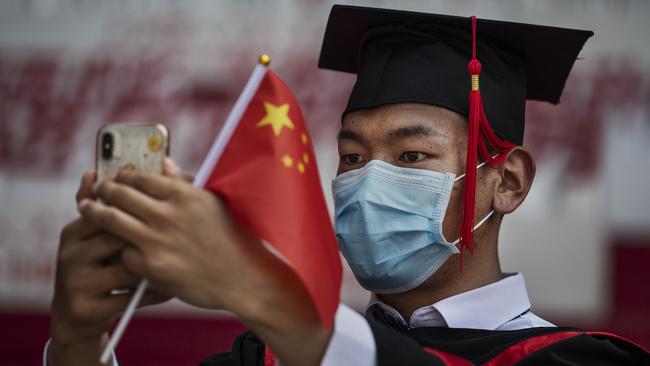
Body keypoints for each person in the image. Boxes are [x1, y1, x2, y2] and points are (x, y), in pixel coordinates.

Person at [46, 4, 650, 366]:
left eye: (411, 154)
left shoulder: (582, 360)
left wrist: (259, 287)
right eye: (352, 156)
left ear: (508, 182)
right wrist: (77, 341)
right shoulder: (266, 356)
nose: (367, 183)